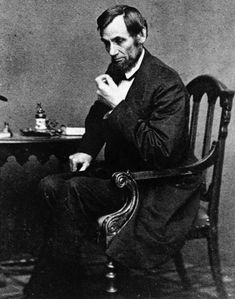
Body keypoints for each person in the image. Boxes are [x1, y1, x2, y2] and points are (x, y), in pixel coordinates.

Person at [24, 4, 201, 298]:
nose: (112, 51)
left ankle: (50, 289)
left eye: (119, 41)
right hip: (123, 175)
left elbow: (162, 153)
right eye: (106, 43)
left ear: (141, 35)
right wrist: (87, 151)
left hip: (157, 185)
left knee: (75, 190)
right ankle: (70, 273)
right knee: (49, 184)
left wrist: (120, 105)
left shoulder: (167, 83)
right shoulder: (117, 68)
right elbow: (97, 117)